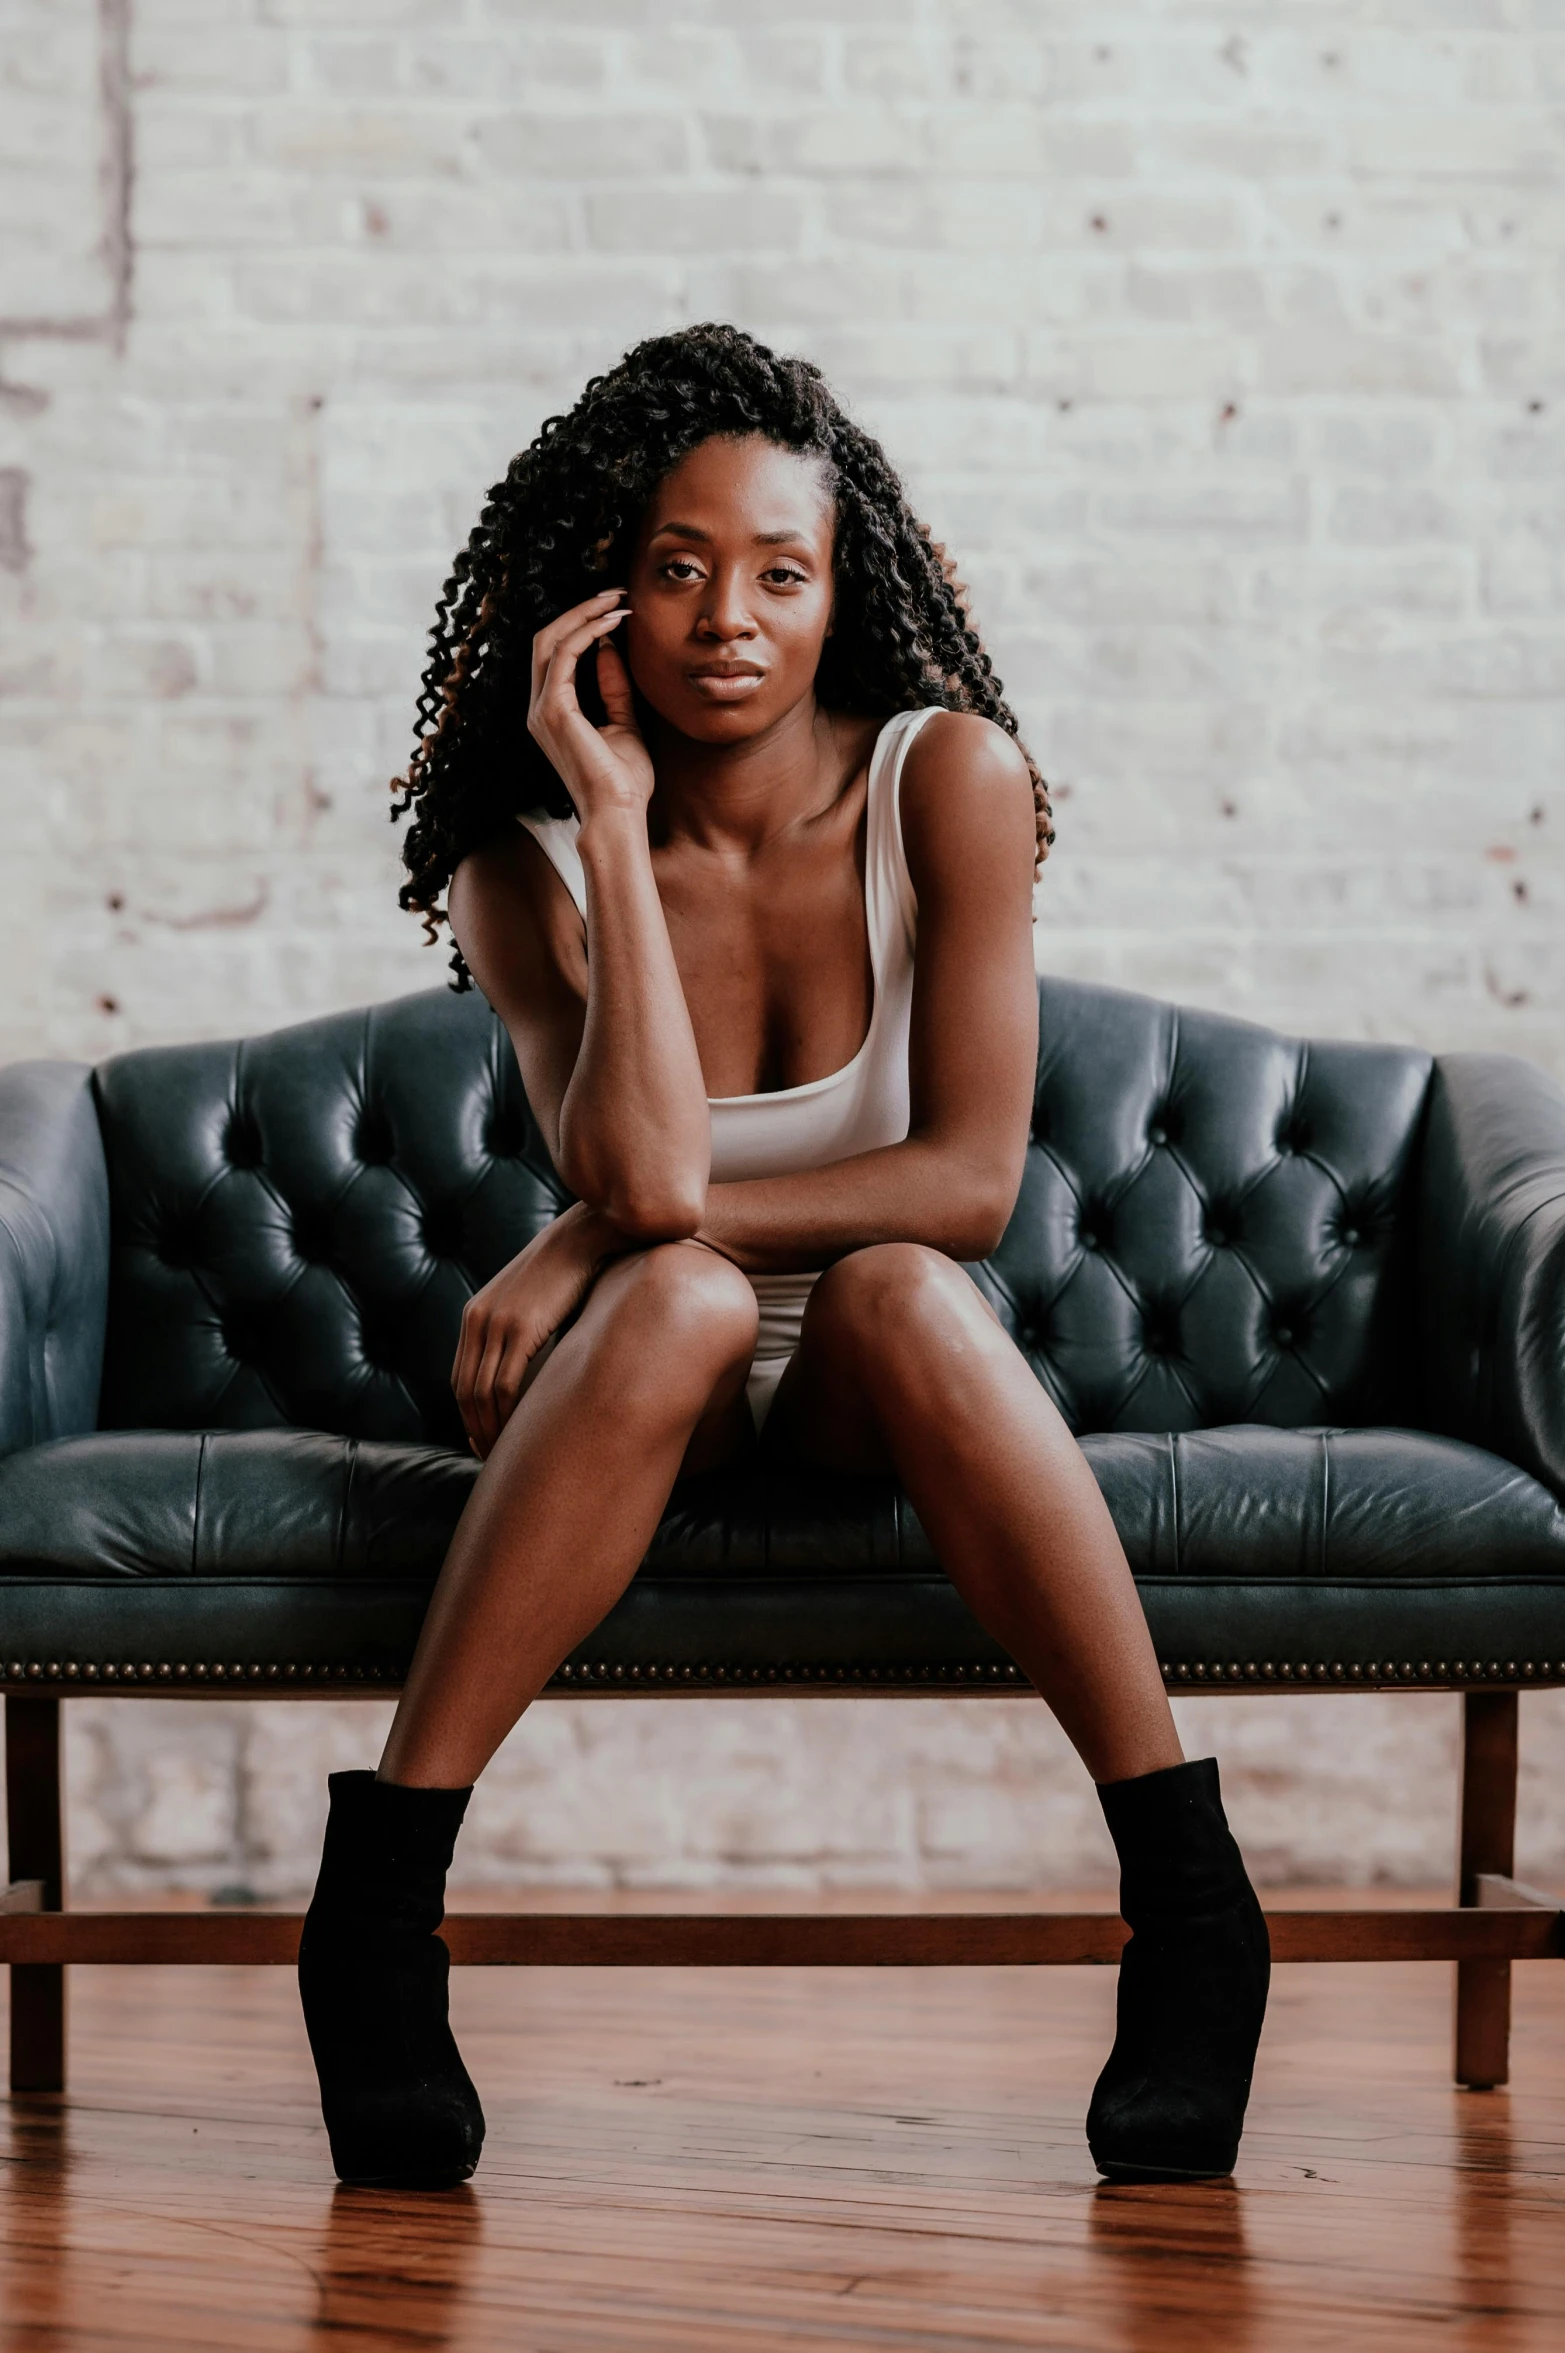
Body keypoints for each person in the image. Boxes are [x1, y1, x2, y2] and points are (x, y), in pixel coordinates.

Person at [296, 324, 1269, 2193]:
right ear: (600, 597)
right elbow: (658, 1172)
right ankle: (379, 1927)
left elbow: (968, 1182)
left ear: (843, 597)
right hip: (647, 1395)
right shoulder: (526, 867)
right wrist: (606, 812)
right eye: (675, 569)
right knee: (680, 1292)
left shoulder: (947, 785)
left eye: (778, 573)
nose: (726, 618)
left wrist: (578, 1232)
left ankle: (1196, 1915)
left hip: (870, 1376)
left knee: (893, 1279)